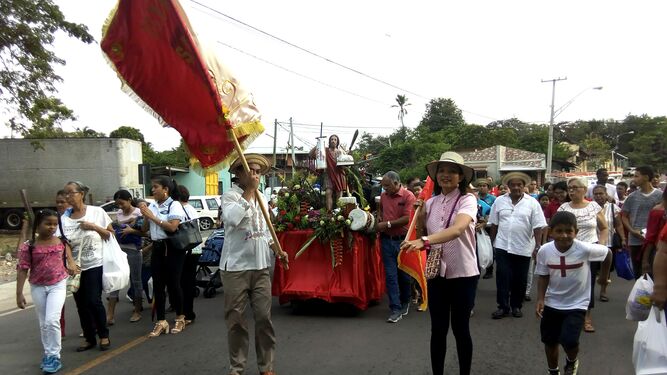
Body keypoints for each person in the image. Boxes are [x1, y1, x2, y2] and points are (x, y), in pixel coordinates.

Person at [401, 151, 479, 375]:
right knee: (438, 329)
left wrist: (423, 240)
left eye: (452, 171)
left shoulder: (468, 200)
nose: (445, 175)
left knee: (461, 329)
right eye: (441, 171)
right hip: (436, 273)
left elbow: (457, 229)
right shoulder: (431, 202)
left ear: (461, 177)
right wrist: (420, 218)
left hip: (463, 273)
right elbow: (422, 233)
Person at [220, 154, 288, 375]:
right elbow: (234, 219)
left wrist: (277, 249)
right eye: (250, 171)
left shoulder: (262, 196)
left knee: (263, 319)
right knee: (236, 321)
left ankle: (266, 367)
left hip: (260, 268)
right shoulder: (230, 196)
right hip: (235, 269)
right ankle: (237, 368)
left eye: (258, 172)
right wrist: (249, 190)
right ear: (238, 174)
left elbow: (266, 231)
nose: (255, 175)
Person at [535, 211, 612, 375]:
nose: (564, 235)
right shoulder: (544, 251)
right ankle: (553, 370)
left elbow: (607, 254)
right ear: (551, 231)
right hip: (552, 302)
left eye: (569, 231)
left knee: (569, 341)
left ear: (576, 232)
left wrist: (603, 278)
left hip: (577, 303)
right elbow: (543, 276)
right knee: (549, 341)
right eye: (559, 231)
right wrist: (540, 299)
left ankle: (571, 362)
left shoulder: (584, 249)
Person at [16, 210, 78, 374]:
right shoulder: (29, 246)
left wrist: (71, 263)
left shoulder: (60, 241)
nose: (52, 227)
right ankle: (48, 354)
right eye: (48, 224)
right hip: (37, 286)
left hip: (57, 284)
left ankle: (54, 356)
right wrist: (19, 293)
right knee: (44, 323)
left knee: (52, 320)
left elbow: (67, 251)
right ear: (38, 225)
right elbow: (22, 269)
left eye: (55, 224)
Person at [60, 181, 113, 352]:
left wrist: (93, 226)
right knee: (80, 303)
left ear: (81, 194)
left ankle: (104, 336)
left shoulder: (97, 212)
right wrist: (70, 262)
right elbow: (62, 242)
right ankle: (89, 337)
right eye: (65, 193)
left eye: (71, 193)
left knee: (93, 300)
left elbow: (110, 234)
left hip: (94, 264)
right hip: (75, 268)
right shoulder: (64, 218)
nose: (67, 196)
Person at [489, 172, 546, 319]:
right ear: (508, 186)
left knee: (520, 279)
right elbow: (494, 224)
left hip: (523, 246)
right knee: (502, 276)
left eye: (519, 185)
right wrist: (492, 243)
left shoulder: (532, 203)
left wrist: (538, 245)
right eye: (513, 185)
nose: (516, 188)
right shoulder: (499, 201)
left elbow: (538, 226)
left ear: (523, 186)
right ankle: (503, 306)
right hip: (502, 245)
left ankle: (516, 306)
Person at [136, 176, 187, 337]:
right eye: (152, 187)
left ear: (165, 189)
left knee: (173, 283)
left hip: (172, 248)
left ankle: (180, 317)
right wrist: (145, 215)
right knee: (158, 285)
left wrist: (152, 216)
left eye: (156, 187)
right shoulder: (153, 205)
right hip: (157, 247)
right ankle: (161, 321)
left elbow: (172, 227)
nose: (153, 190)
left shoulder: (174, 205)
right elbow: (145, 229)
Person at [558, 177, 608, 333]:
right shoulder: (564, 208)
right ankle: (566, 313)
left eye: (575, 187)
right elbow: (558, 229)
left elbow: (604, 228)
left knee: (588, 283)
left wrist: (600, 245)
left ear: (584, 190)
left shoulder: (593, 207)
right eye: (570, 188)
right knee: (568, 282)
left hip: (589, 250)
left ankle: (587, 316)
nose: (571, 191)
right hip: (569, 250)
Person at [376, 171, 416, 323]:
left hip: (402, 241)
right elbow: (381, 210)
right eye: (383, 186)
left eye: (386, 186)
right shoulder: (384, 197)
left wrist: (386, 224)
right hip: (386, 240)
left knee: (404, 275)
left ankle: (405, 300)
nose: (384, 189)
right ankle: (395, 308)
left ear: (396, 183)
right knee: (391, 276)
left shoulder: (408, 196)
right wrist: (379, 217)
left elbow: (407, 218)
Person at [106, 190, 144, 324]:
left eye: (122, 203)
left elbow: (145, 233)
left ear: (129, 199)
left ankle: (137, 311)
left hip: (134, 250)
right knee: (115, 280)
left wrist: (131, 230)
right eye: (118, 204)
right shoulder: (119, 213)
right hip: (119, 250)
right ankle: (110, 315)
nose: (120, 206)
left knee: (136, 281)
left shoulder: (139, 212)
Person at [621, 166, 663, 278]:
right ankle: (639, 295)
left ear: (645, 177)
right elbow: (624, 216)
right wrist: (632, 231)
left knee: (653, 271)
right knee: (638, 272)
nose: (633, 179)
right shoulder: (632, 197)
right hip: (635, 240)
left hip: (654, 240)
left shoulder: (660, 195)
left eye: (636, 176)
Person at [592, 185, 625, 301]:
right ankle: (588, 292)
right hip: (592, 243)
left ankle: (603, 291)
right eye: (596, 194)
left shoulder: (613, 208)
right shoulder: (588, 207)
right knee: (591, 269)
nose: (598, 196)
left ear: (606, 195)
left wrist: (623, 239)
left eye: (601, 193)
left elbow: (619, 225)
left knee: (606, 270)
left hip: (609, 243)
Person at [177, 185, 201, 326]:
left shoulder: (180, 209)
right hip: (195, 248)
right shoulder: (191, 208)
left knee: (184, 283)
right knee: (187, 282)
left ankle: (187, 313)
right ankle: (186, 312)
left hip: (186, 249)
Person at [310, 134, 347, 211]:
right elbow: (310, 154)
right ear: (329, 141)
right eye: (332, 139)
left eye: (335, 140)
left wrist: (347, 156)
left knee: (339, 194)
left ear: (337, 142)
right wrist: (318, 143)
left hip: (338, 175)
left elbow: (345, 163)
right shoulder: (324, 151)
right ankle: (329, 212)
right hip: (328, 175)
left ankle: (338, 213)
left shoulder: (340, 152)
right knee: (328, 192)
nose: (333, 141)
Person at [640, 189, 667, 276]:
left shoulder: (658, 211)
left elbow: (651, 237)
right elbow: (651, 237)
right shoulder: (659, 211)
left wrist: (645, 260)